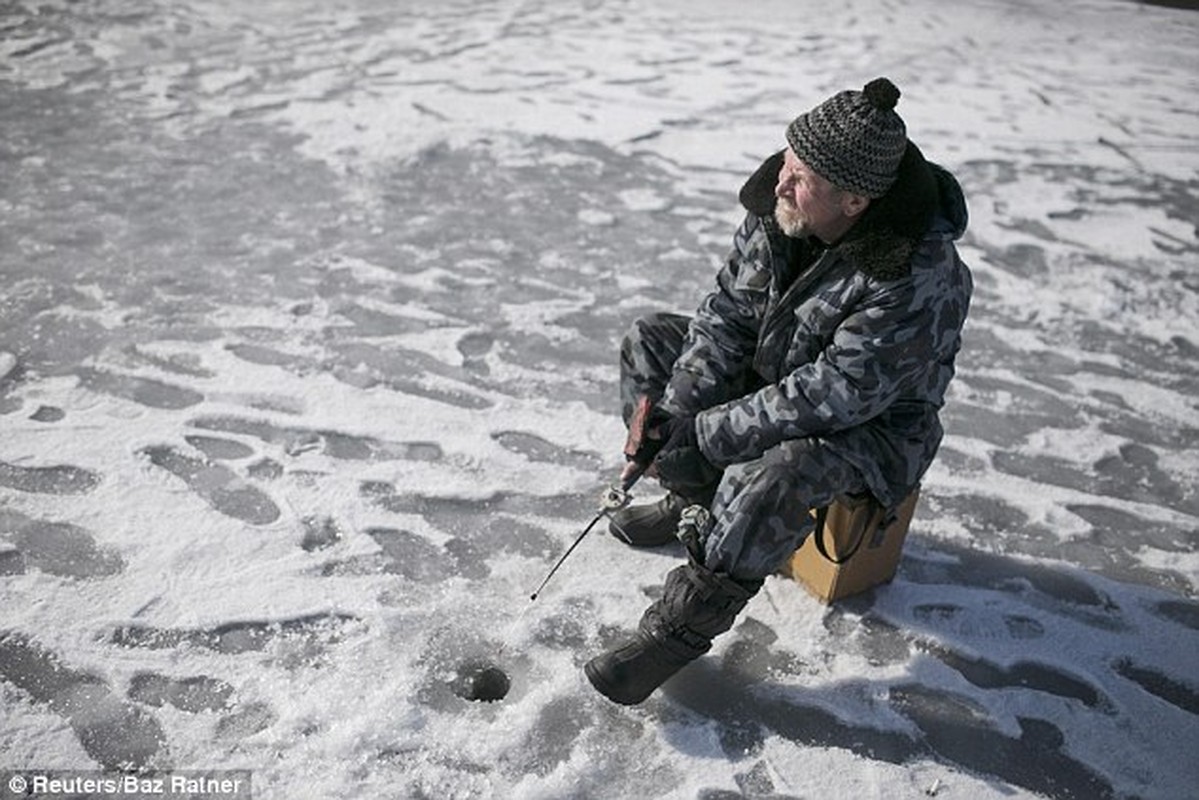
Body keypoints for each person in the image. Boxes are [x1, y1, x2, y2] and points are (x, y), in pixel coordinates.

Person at [585, 77, 973, 705]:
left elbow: (839, 393)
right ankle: (695, 501)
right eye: (787, 163)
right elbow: (727, 316)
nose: (780, 185)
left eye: (801, 179)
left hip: (872, 429)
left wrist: (705, 433)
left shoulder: (917, 276)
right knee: (652, 342)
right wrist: (678, 417)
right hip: (780, 372)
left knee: (774, 471)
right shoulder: (781, 207)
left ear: (853, 202)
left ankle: (676, 633)